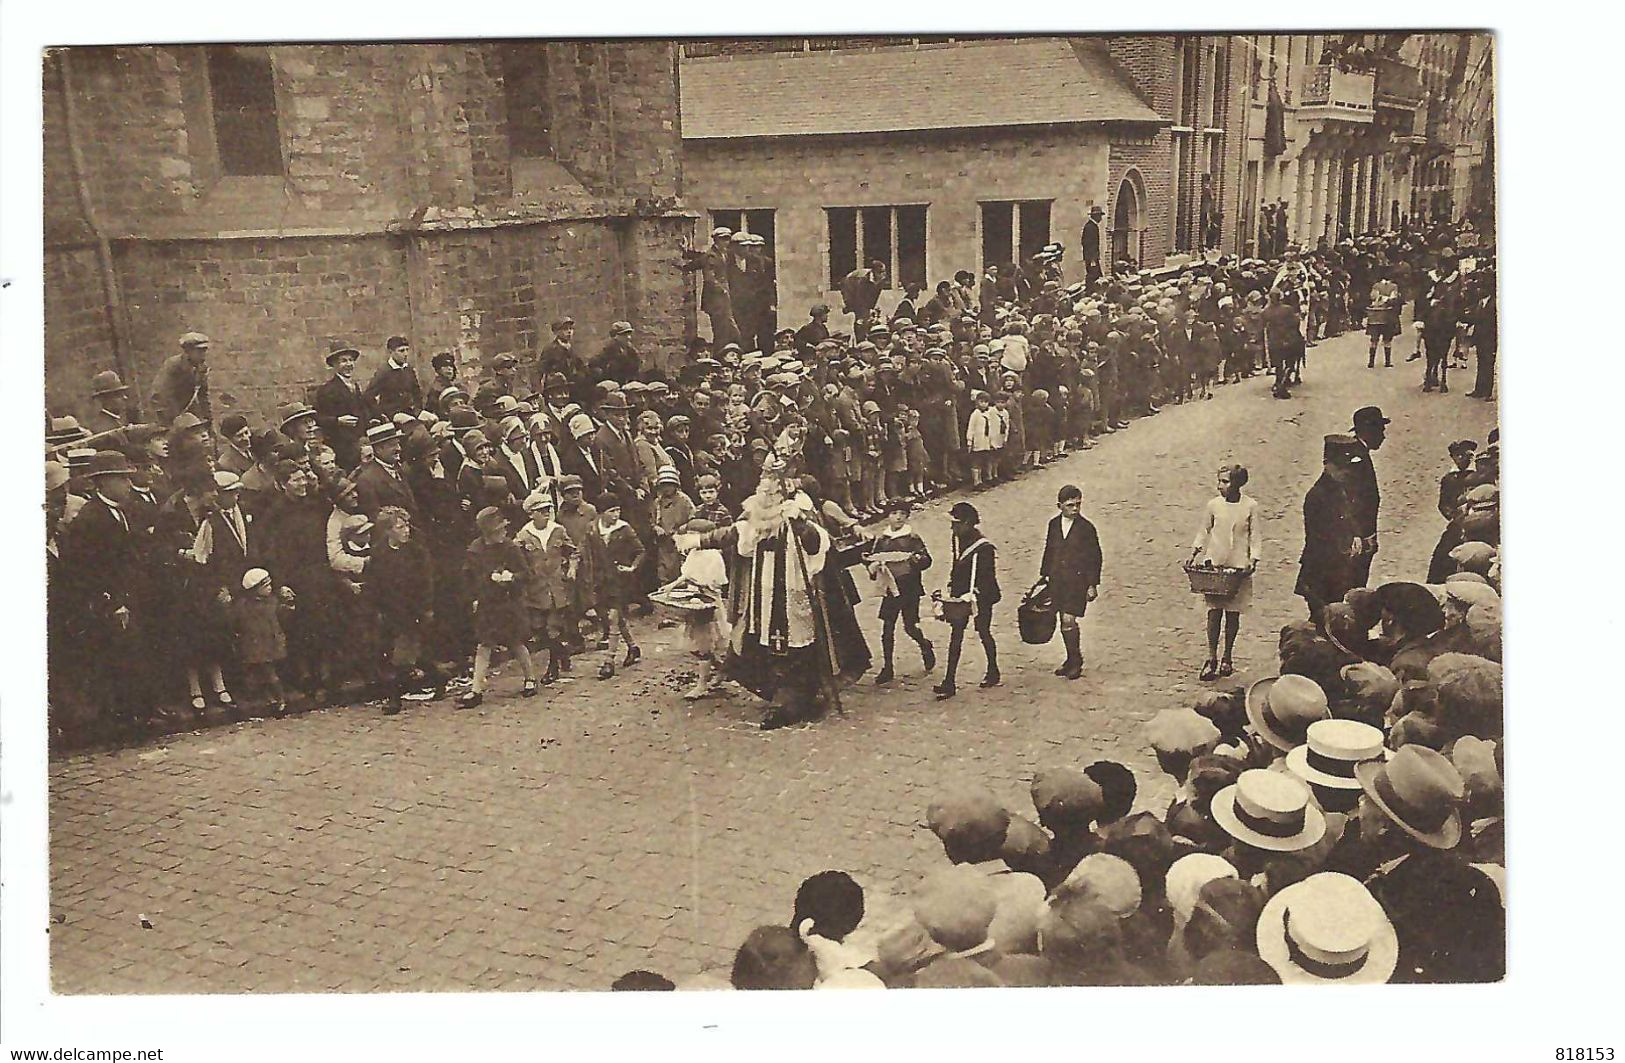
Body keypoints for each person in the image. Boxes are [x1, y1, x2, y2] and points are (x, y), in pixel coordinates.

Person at [460, 506, 538, 708]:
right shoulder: (475, 551)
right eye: (499, 530)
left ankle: (530, 678)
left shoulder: (510, 548)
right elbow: (468, 578)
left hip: (509, 602)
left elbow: (527, 575)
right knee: (484, 644)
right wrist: (476, 594)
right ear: (489, 533)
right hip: (488, 604)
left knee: (516, 642)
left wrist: (511, 577)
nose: (504, 532)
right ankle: (476, 689)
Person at [1188, 465, 1260, 681]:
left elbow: (1255, 535)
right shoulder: (1214, 505)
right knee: (1214, 611)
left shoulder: (1250, 506)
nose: (1221, 486)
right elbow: (1204, 529)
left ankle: (1227, 655)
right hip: (1215, 562)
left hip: (1238, 565)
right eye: (1219, 481)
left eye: (1226, 482)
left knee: (1233, 613)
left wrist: (1253, 559)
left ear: (1238, 483)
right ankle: (1211, 657)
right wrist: (1195, 552)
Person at [1295, 436, 1366, 626]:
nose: (1347, 472)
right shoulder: (1317, 496)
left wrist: (1356, 535)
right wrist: (1345, 548)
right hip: (1320, 571)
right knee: (1323, 619)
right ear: (1327, 465)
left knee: (1331, 620)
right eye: (1341, 467)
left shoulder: (1340, 489)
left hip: (1337, 570)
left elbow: (1349, 516)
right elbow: (1319, 537)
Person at [1036, 484, 1103, 681]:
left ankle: (1076, 661)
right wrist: (1044, 575)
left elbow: (1095, 557)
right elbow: (1049, 550)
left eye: (1078, 504)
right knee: (1061, 621)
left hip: (1077, 582)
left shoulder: (1086, 528)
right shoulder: (1053, 525)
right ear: (1060, 506)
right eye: (1070, 505)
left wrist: (1092, 584)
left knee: (1068, 620)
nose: (1075, 509)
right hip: (1057, 580)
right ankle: (1070, 658)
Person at [864, 498, 935, 685]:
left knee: (910, 626)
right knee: (887, 627)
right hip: (890, 587)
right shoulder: (882, 539)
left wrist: (915, 559)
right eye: (894, 513)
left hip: (909, 586)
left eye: (902, 514)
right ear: (888, 516)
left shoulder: (912, 538)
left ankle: (925, 645)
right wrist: (873, 565)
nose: (898, 518)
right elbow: (871, 560)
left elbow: (927, 560)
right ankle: (887, 666)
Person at [934, 501, 1000, 700]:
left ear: (968, 524)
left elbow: (987, 578)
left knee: (983, 630)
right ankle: (949, 681)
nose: (952, 527)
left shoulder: (984, 547)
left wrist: (974, 595)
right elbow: (958, 566)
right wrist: (951, 588)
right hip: (961, 594)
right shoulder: (957, 538)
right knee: (956, 635)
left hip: (982, 595)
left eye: (956, 523)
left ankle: (993, 669)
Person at [514, 490, 576, 685]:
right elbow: (516, 559)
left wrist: (572, 568)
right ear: (531, 513)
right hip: (535, 589)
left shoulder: (558, 530)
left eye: (548, 509)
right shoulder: (524, 535)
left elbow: (573, 551)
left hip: (557, 587)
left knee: (552, 628)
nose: (546, 513)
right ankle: (562, 652)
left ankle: (553, 667)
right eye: (541, 510)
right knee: (538, 628)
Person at [592, 493, 645, 680]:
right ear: (601, 513)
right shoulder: (593, 530)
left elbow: (640, 551)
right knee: (616, 618)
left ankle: (609, 661)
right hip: (601, 580)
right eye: (611, 511)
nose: (615, 515)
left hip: (621, 580)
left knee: (614, 617)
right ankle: (633, 647)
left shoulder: (624, 529)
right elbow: (585, 550)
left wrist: (632, 567)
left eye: (618, 510)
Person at [233, 567, 290, 716]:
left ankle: (279, 699)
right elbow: (238, 621)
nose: (270, 588)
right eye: (266, 586)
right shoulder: (244, 605)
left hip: (270, 641)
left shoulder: (272, 602)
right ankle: (270, 698)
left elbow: (280, 617)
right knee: (259, 672)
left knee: (270, 672)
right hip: (255, 642)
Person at [312, 346, 372, 470]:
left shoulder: (355, 386)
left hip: (360, 440)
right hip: (341, 445)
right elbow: (317, 417)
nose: (349, 364)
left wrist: (370, 419)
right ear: (334, 365)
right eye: (343, 361)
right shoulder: (327, 390)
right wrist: (338, 420)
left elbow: (361, 410)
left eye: (351, 360)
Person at [1348, 405, 1387, 589]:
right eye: (1380, 430)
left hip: (1360, 536)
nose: (1383, 436)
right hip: (1358, 538)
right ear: (1369, 431)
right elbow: (1355, 502)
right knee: (1355, 582)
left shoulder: (1359, 452)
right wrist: (1364, 535)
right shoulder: (1357, 458)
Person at [150, 332, 213, 427]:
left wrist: (208, 420)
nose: (203, 355)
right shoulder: (173, 365)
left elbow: (203, 396)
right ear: (188, 351)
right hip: (166, 412)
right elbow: (163, 395)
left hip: (185, 411)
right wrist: (178, 420)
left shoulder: (201, 368)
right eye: (199, 351)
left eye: (204, 351)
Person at [83, 370, 136, 437]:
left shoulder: (119, 421)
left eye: (123, 394)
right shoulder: (101, 428)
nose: (125, 398)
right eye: (118, 395)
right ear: (105, 399)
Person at [1365, 271, 1401, 368]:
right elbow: (1394, 299)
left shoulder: (1376, 286)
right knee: (1387, 340)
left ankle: (1371, 362)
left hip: (1375, 315)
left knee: (1374, 340)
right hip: (1387, 315)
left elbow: (1373, 297)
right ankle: (1387, 362)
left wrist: (1379, 298)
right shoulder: (1394, 286)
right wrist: (1387, 299)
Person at [1081, 205, 1105, 287]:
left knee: (1096, 275)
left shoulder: (1092, 226)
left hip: (1093, 257)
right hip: (1091, 258)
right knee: (1093, 276)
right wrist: (1092, 259)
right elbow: (1087, 244)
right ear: (1095, 216)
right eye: (1099, 216)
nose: (1101, 218)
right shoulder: (1090, 227)